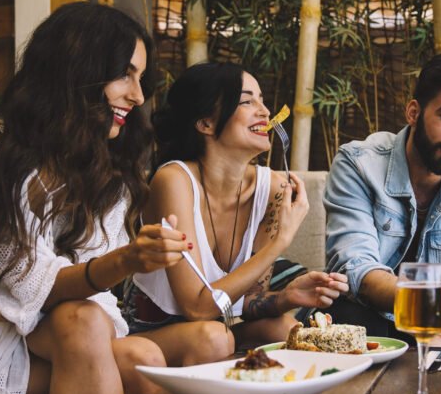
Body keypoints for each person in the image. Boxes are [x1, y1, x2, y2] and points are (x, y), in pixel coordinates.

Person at [0, 2, 188, 394]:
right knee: (86, 325)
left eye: (141, 79)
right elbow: (29, 283)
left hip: (45, 332)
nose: (138, 96)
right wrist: (126, 261)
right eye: (125, 75)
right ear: (77, 69)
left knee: (141, 357)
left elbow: (91, 300)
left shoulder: (107, 166)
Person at [125, 62, 348, 364]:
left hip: (219, 326)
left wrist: (286, 297)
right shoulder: (174, 180)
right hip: (151, 333)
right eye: (246, 101)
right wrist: (279, 243)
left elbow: (249, 300)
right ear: (206, 123)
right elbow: (197, 308)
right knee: (214, 338)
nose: (265, 111)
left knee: (286, 329)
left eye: (262, 100)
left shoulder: (273, 189)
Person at [324, 53, 441, 347]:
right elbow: (357, 270)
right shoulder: (358, 164)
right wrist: (432, 299)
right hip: (369, 316)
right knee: (348, 317)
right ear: (413, 113)